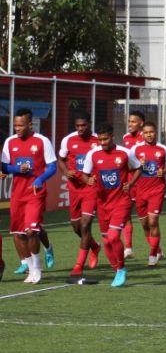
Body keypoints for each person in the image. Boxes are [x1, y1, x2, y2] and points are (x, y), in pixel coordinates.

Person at [1, 108, 57, 284]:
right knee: (19, 234)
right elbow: (4, 167)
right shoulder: (10, 142)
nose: (17, 128)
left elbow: (53, 166)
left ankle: (37, 268)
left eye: (21, 125)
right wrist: (17, 169)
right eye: (15, 125)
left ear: (30, 124)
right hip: (17, 193)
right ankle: (30, 269)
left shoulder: (42, 141)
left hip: (35, 193)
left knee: (31, 231)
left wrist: (40, 179)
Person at [82, 123, 141, 287]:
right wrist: (88, 180)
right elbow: (84, 175)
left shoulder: (125, 152)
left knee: (114, 236)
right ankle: (116, 270)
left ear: (112, 137)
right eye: (100, 140)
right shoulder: (93, 154)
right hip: (102, 203)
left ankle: (121, 269)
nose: (102, 142)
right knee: (107, 241)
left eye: (105, 139)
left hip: (121, 201)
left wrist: (131, 183)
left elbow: (138, 168)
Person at [58, 111, 102, 276]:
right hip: (74, 188)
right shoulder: (68, 140)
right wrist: (66, 172)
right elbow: (61, 159)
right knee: (76, 227)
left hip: (91, 188)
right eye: (77, 126)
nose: (80, 128)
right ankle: (95, 247)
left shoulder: (98, 140)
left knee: (85, 225)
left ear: (90, 124)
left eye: (83, 125)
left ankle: (78, 266)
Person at [132, 122, 166, 266]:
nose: (149, 135)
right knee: (145, 225)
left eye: (151, 132)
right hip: (140, 190)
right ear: (142, 134)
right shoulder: (135, 149)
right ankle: (157, 248)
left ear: (156, 132)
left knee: (153, 221)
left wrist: (164, 171)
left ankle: (152, 255)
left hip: (157, 190)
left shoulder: (164, 149)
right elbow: (128, 166)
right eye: (146, 132)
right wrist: (138, 164)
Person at [122, 110, 145, 259]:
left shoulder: (147, 136)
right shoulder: (126, 137)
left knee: (146, 220)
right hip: (129, 181)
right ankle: (128, 248)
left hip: (143, 182)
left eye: (133, 122)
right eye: (129, 121)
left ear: (141, 123)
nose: (130, 124)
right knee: (125, 214)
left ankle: (156, 247)